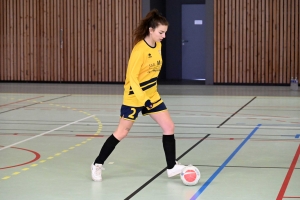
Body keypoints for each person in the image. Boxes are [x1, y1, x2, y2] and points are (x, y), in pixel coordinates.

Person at [91, 9, 186, 181]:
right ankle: (97, 163)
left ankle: (171, 167)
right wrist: (144, 100)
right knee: (121, 132)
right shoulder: (139, 50)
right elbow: (131, 78)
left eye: (165, 32)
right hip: (135, 97)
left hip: (152, 95)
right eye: (161, 32)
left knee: (169, 127)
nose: (164, 36)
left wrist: (150, 98)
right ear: (151, 30)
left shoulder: (158, 45)